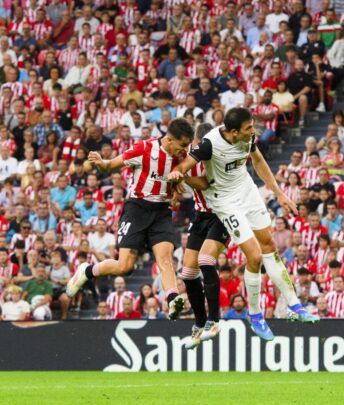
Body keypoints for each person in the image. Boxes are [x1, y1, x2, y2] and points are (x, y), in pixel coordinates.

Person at [167, 108, 319, 341]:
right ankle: (255, 315)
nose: (253, 130)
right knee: (255, 257)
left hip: (247, 191)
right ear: (234, 131)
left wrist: (279, 194)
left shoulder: (247, 138)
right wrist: (177, 175)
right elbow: (183, 166)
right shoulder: (209, 145)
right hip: (225, 202)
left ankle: (294, 305)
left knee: (269, 246)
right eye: (249, 127)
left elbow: (257, 160)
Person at [65, 118, 201, 321]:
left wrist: (176, 189)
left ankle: (173, 299)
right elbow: (110, 165)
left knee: (165, 258)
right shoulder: (144, 148)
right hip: (136, 208)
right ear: (170, 139)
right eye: (182, 145)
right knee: (124, 266)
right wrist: (101, 163)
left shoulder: (182, 156)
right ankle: (87, 270)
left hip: (161, 211)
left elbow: (181, 180)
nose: (185, 150)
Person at [178, 123, 232, 350]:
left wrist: (180, 175)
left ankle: (214, 321)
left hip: (222, 214)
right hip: (200, 216)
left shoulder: (215, 157)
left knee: (206, 261)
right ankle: (199, 325)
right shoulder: (190, 156)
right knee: (188, 273)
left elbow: (202, 183)